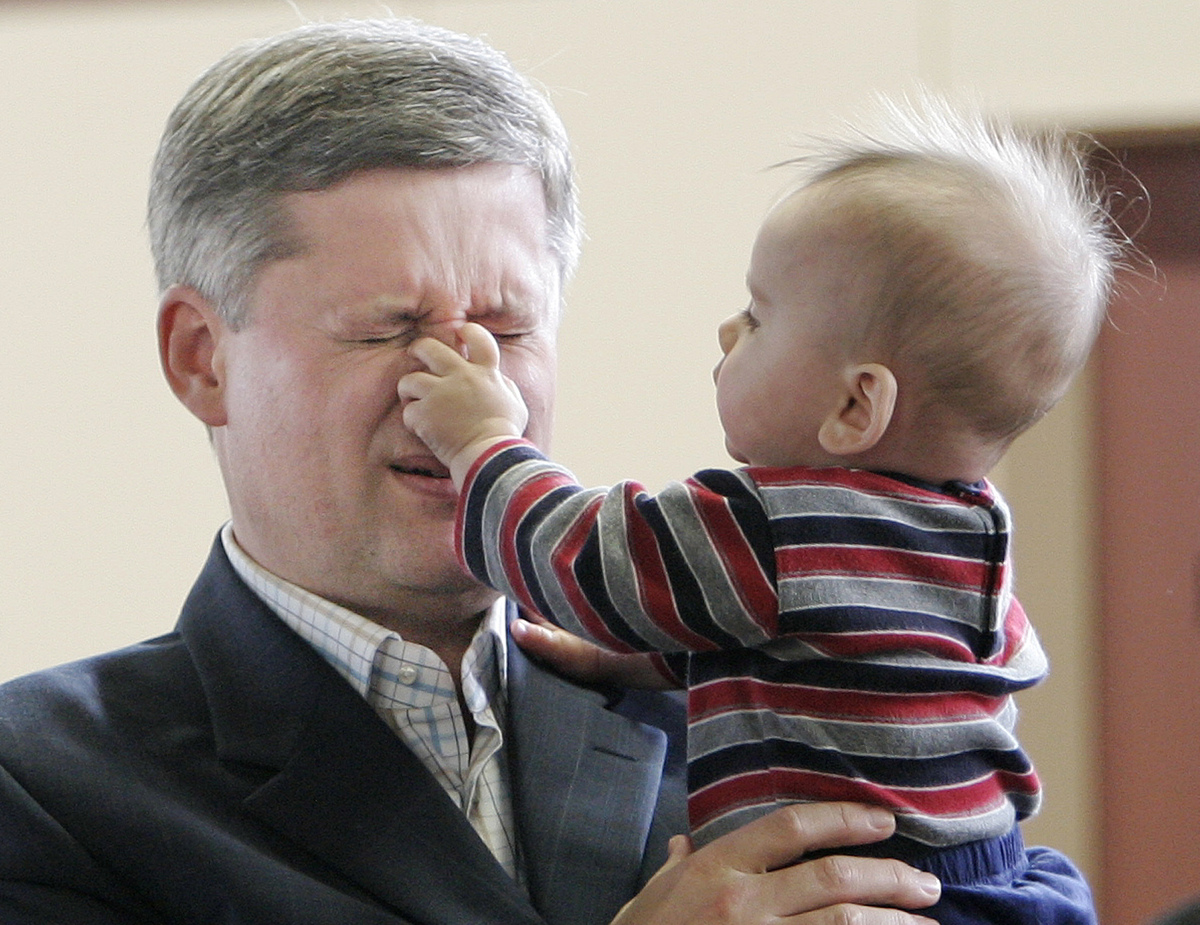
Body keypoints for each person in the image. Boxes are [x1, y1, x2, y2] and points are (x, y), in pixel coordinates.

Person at [0, 18, 944, 925]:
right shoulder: (42, 781)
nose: (466, 390)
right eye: (388, 328)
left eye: (507, 327)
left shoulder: (765, 699)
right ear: (201, 357)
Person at [398, 93, 1117, 924]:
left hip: (846, 887)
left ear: (856, 406)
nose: (726, 332)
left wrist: (482, 441)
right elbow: (831, 663)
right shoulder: (971, 529)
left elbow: (586, 558)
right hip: (990, 879)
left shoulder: (770, 527)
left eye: (757, 315)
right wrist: (641, 662)